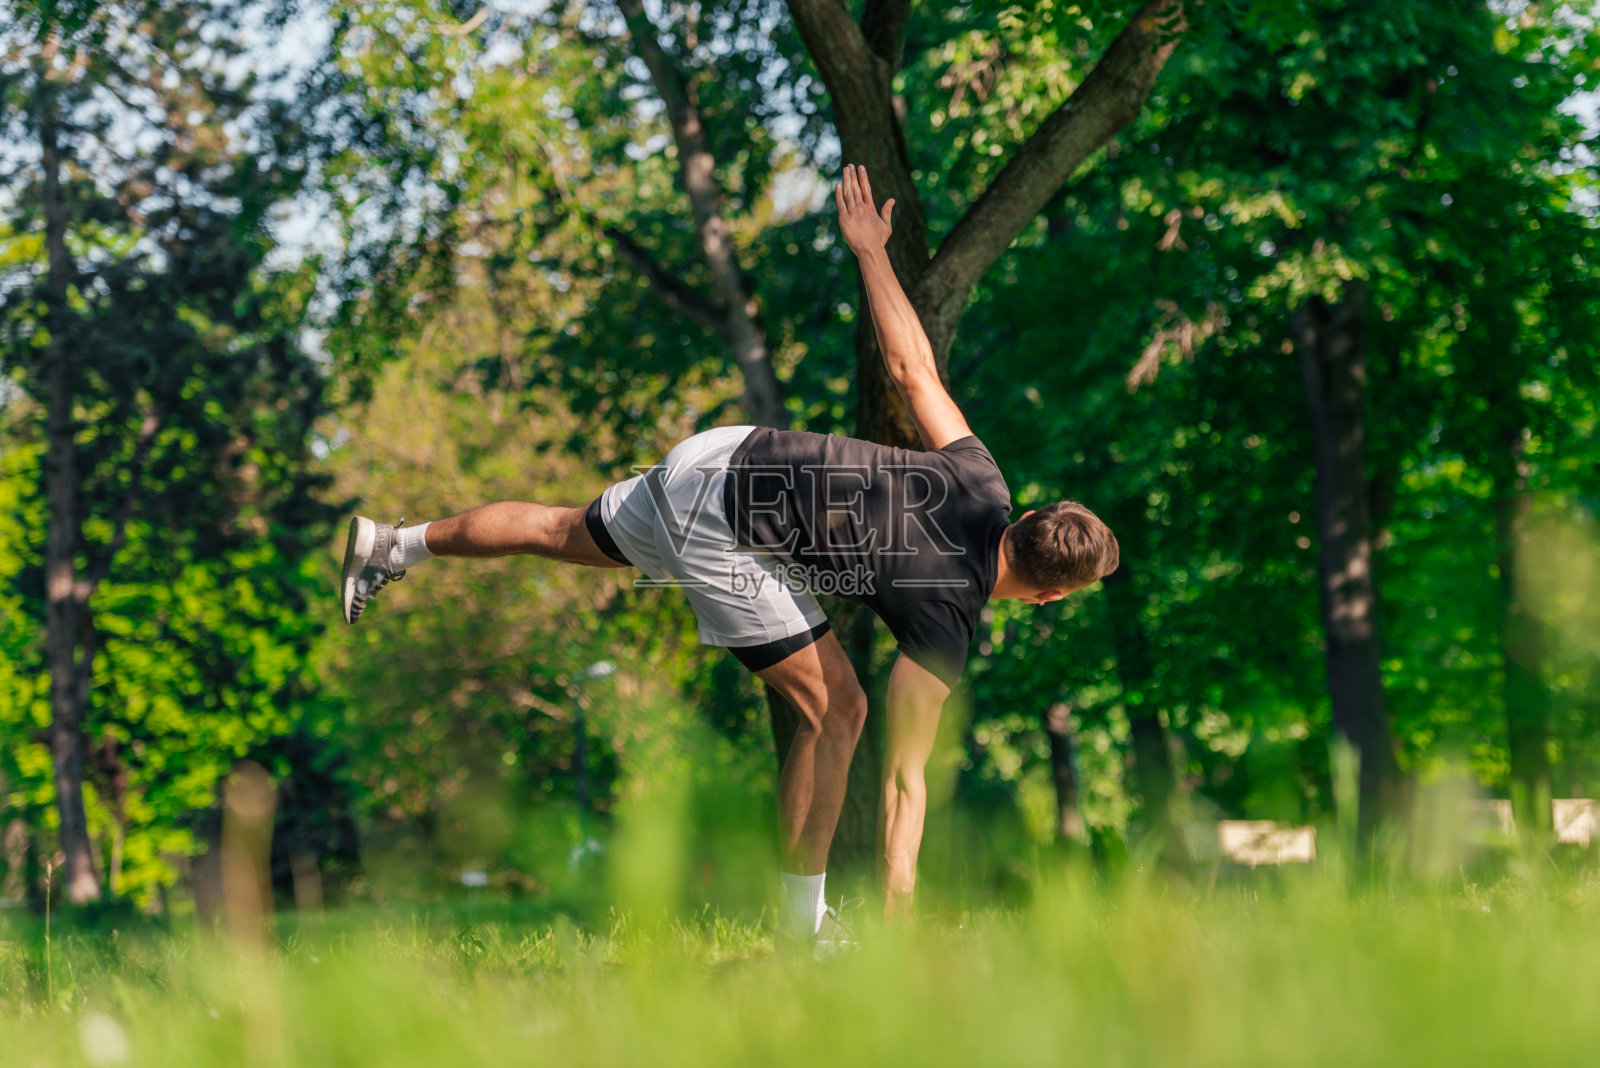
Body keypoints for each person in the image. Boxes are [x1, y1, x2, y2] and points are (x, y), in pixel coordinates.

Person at [340, 164, 1119, 947]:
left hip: (723, 452)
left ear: (1029, 519)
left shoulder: (983, 479)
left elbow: (912, 367)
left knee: (557, 532)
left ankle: (392, 544)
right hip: (719, 521)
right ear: (1049, 596)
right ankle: (802, 935)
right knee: (838, 710)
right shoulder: (947, 623)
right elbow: (905, 783)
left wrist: (871, 252)